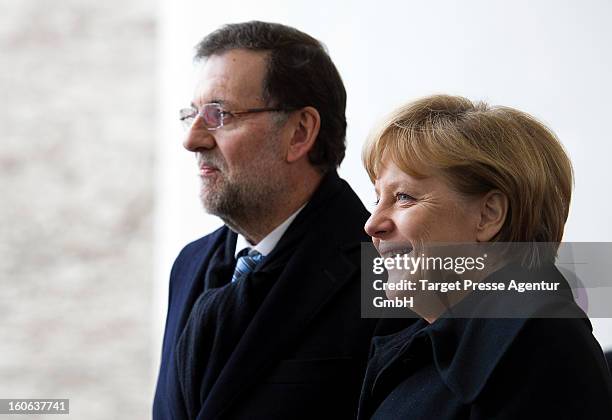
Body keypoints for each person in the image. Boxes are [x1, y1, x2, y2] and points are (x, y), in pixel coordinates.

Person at [153, 21, 408, 420]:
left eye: (218, 114)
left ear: (299, 133)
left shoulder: (388, 277)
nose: (193, 140)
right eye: (192, 115)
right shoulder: (189, 265)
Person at [357, 95, 612, 419]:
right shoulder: (432, 344)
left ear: (489, 215)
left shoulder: (537, 347)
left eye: (404, 197)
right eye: (378, 198)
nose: (372, 224)